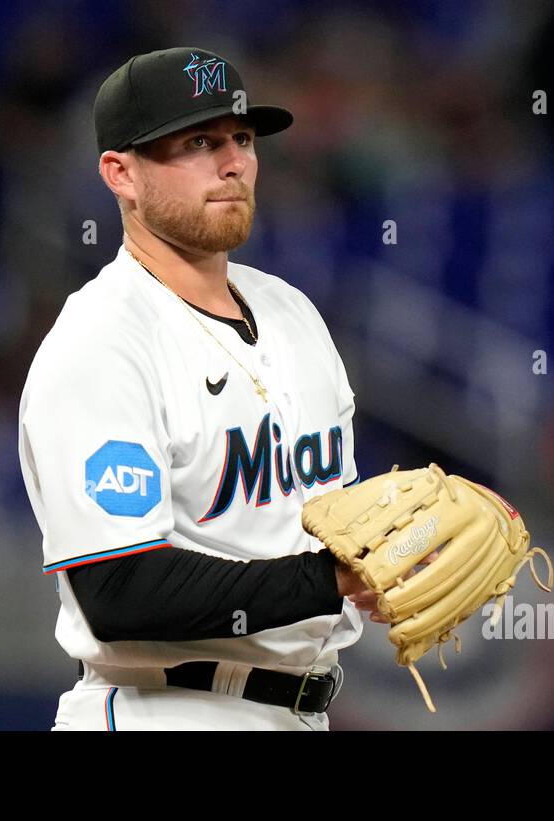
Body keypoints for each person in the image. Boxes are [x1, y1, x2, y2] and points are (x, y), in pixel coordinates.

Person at [18, 47, 374, 730]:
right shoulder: (103, 339)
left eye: (242, 138)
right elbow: (118, 587)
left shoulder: (294, 314)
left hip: (303, 709)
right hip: (165, 708)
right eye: (198, 143)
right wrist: (332, 580)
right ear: (121, 173)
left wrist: (385, 565)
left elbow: (324, 523)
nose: (233, 161)